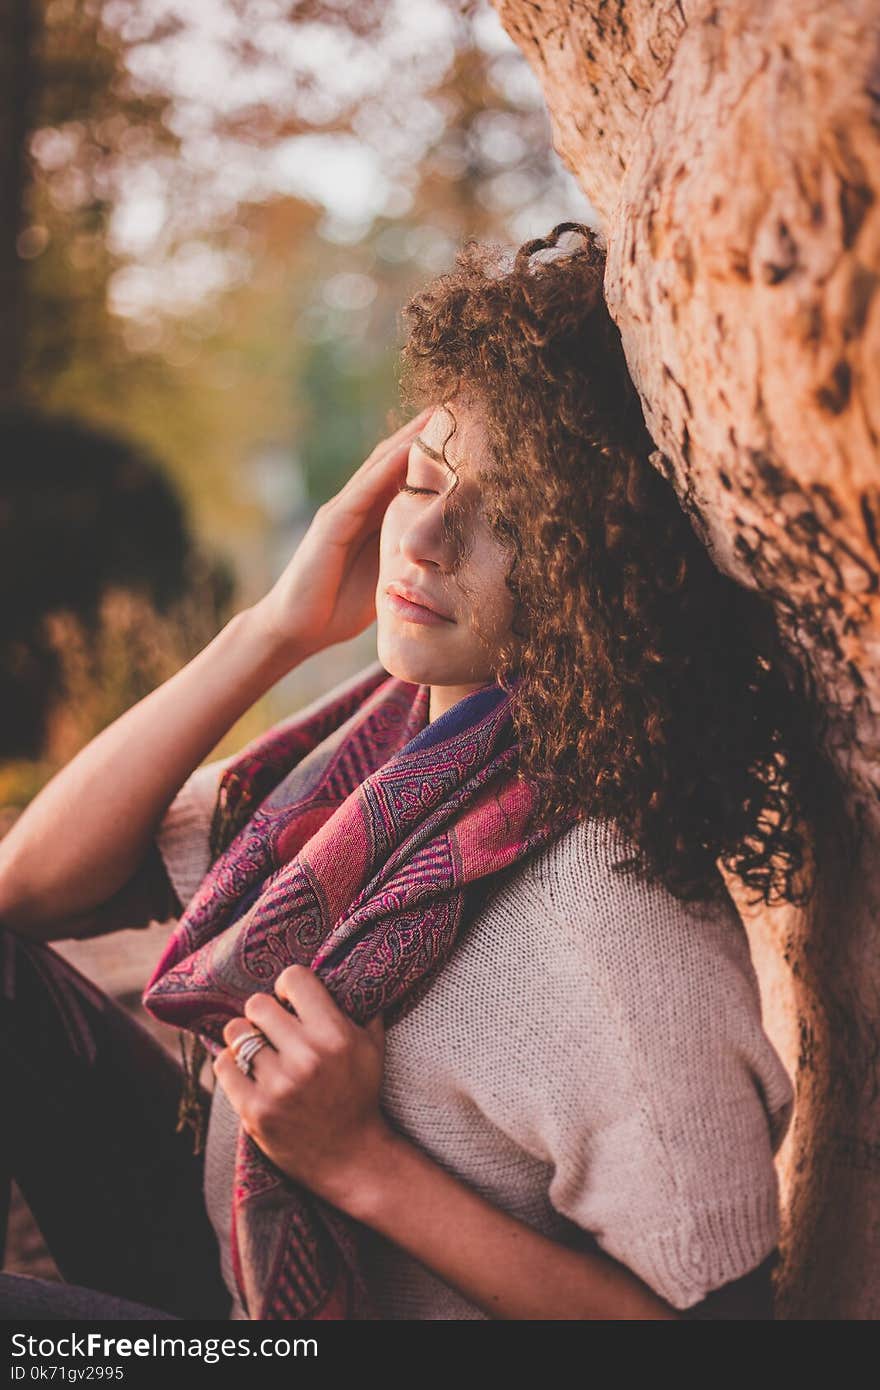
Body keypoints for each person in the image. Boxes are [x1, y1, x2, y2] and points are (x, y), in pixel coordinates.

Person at [0, 223, 846, 1322]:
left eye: (515, 520)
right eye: (425, 478)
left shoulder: (619, 929)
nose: (427, 538)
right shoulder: (387, 746)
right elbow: (30, 889)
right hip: (218, 1251)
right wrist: (273, 629)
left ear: (616, 577)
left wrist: (357, 1163)